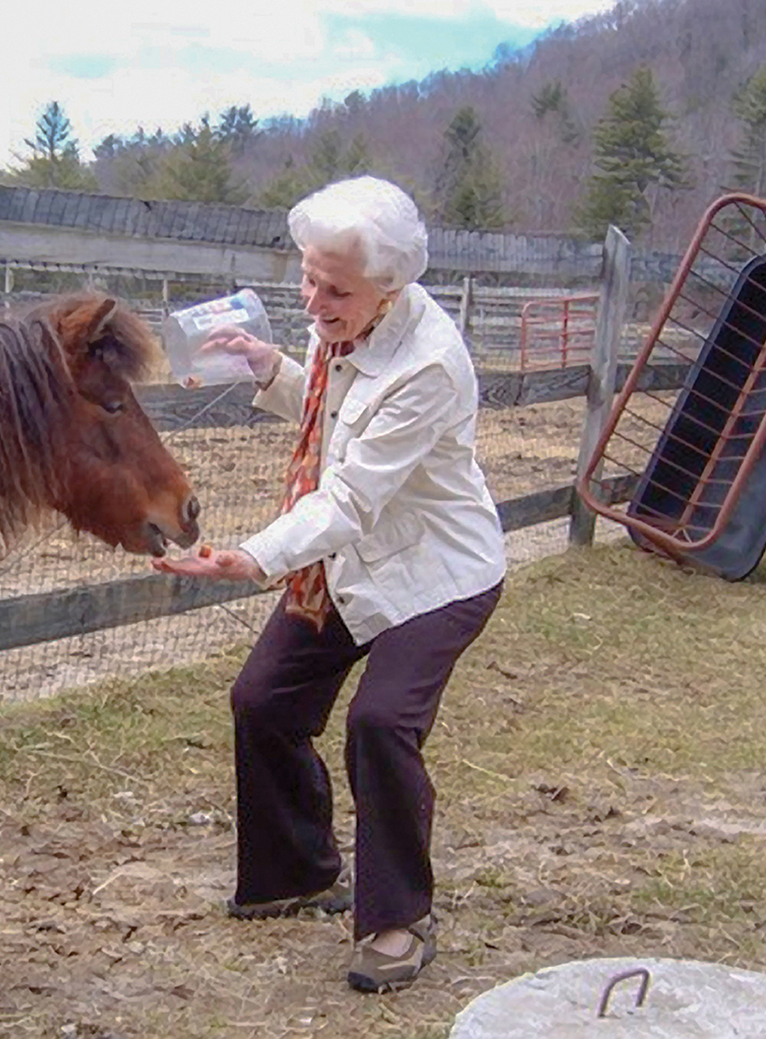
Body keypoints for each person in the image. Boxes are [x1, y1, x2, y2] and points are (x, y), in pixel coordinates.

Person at [153, 176, 505, 993]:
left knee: (380, 724)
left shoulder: (429, 366)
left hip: (433, 573)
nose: (313, 300)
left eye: (334, 288)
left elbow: (350, 495)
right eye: (307, 277)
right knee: (264, 701)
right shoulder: (345, 323)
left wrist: (251, 557)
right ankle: (298, 872)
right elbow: (328, 406)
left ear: (390, 286)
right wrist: (268, 364)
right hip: (348, 569)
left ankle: (399, 919)